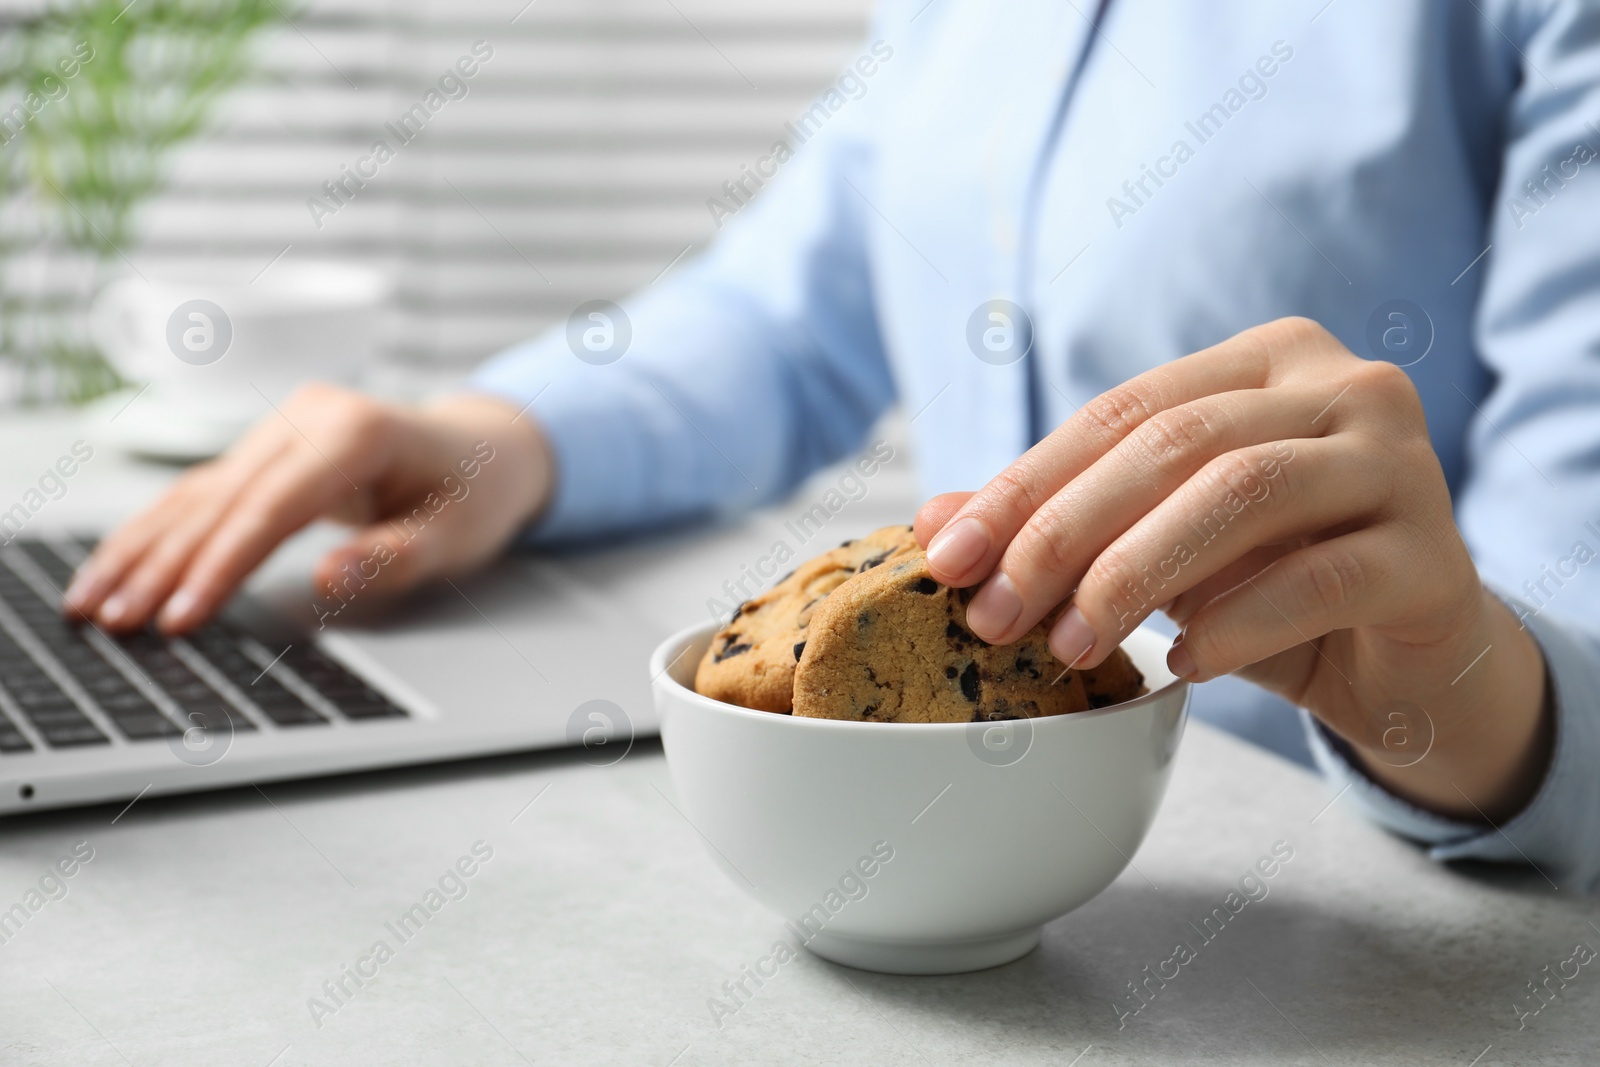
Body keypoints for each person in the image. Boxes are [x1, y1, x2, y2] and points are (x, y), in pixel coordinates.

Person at [62, 1, 1600, 889]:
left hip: (1328, 896)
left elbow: (1571, 618)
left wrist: (1445, 685)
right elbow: (788, 312)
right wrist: (490, 439)